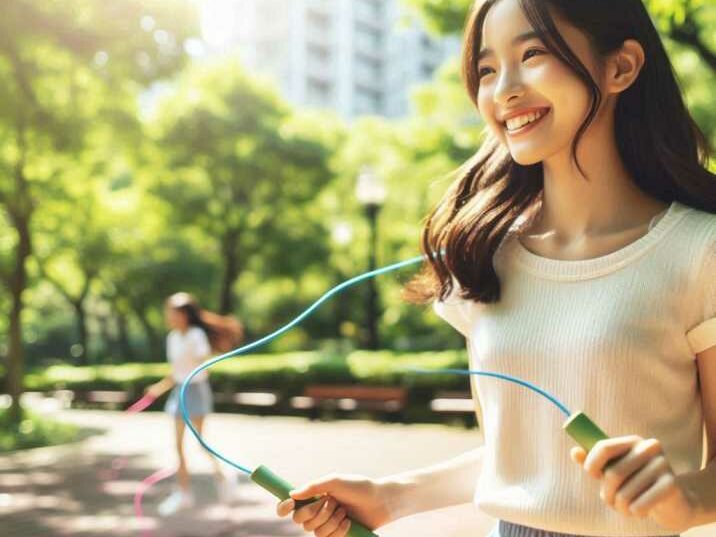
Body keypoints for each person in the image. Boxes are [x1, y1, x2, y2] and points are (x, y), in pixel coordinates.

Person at [277, 0, 716, 536]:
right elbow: (512, 456)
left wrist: (683, 497)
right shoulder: (482, 257)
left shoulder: (700, 251)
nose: (503, 90)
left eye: (533, 53)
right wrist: (388, 498)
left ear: (620, 66)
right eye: (486, 70)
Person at [146, 292, 243, 516]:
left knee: (200, 443)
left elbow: (201, 362)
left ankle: (224, 477)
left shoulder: (196, 335)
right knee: (177, 445)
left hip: (196, 390)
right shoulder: (172, 337)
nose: (169, 316)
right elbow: (176, 371)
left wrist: (197, 365)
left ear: (184, 315)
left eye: (173, 312)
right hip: (180, 391)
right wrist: (159, 387)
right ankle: (184, 493)